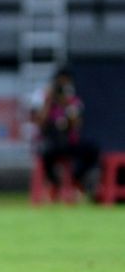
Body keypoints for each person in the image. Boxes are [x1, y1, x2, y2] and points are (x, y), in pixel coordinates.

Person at [34, 67, 99, 200]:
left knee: (92, 149)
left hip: (70, 143)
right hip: (53, 144)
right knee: (45, 153)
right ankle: (54, 186)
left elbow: (76, 125)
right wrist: (49, 101)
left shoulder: (74, 101)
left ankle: (77, 180)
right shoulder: (48, 101)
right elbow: (40, 123)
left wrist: (68, 105)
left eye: (66, 84)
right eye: (60, 84)